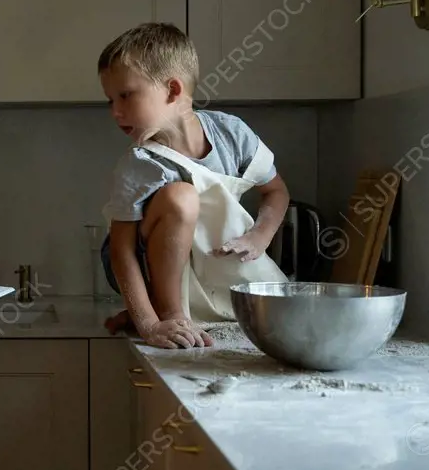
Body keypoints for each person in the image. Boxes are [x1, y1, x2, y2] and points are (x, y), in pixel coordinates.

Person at [98, 22, 291, 349]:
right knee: (181, 196)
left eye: (126, 95)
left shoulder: (232, 135)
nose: (115, 112)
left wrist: (259, 237)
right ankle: (170, 311)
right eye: (110, 100)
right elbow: (122, 251)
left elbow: (276, 191)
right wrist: (150, 325)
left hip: (205, 266)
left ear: (172, 90)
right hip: (140, 263)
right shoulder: (141, 163)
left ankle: (161, 308)